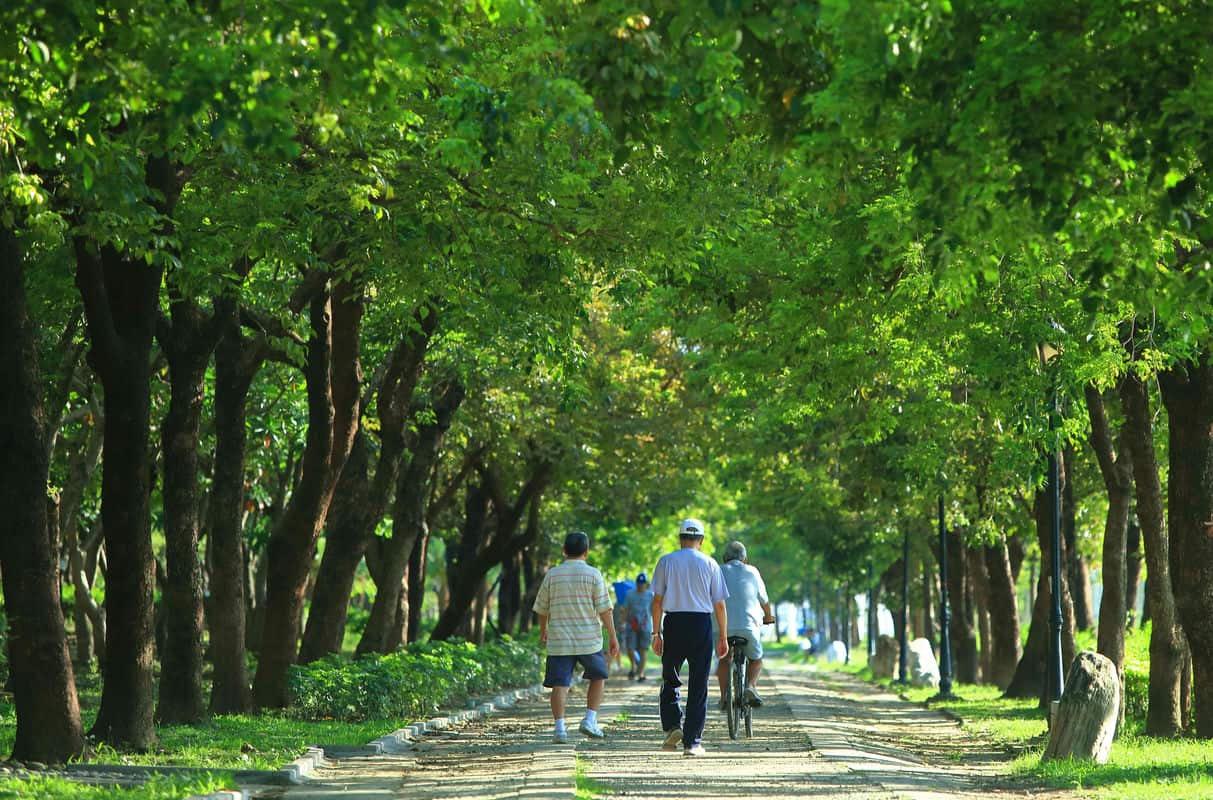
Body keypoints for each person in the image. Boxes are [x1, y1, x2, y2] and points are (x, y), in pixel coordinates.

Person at [650, 518, 728, 757]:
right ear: (701, 540)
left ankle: (673, 725)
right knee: (698, 683)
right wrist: (723, 636)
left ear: (680, 538)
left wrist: (656, 633)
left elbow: (657, 601)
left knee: (670, 677)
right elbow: (720, 605)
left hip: (674, 623)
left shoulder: (666, 561)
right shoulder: (710, 564)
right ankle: (692, 742)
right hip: (700, 624)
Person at [533, 531, 620, 743]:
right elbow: (605, 609)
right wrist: (613, 636)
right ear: (586, 552)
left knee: (560, 684)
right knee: (598, 677)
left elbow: (542, 609)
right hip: (588, 640)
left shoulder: (552, 575)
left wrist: (543, 630)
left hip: (559, 640)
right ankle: (589, 720)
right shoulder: (593, 575)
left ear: (564, 550)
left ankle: (559, 730)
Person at [714, 541, 775, 708]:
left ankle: (724, 696)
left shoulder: (717, 571)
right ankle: (751, 686)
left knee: (724, 659)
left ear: (724, 558)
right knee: (756, 660)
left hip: (722, 628)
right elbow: (764, 601)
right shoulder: (753, 571)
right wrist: (768, 617)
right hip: (749, 627)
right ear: (745, 560)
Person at [622, 572, 654, 680]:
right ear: (636, 583)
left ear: (646, 584)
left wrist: (657, 626)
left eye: (643, 583)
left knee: (643, 650)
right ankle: (633, 667)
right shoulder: (629, 594)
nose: (641, 585)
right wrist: (623, 622)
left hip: (645, 627)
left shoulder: (650, 595)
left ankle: (641, 673)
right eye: (639, 583)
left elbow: (653, 611)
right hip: (631, 626)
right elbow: (626, 609)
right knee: (630, 649)